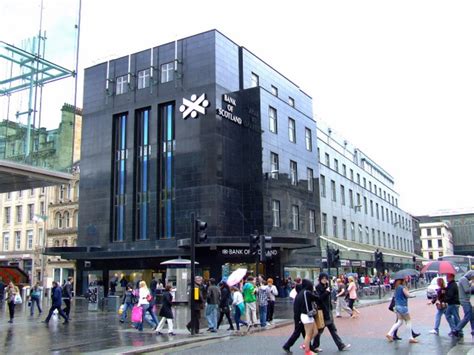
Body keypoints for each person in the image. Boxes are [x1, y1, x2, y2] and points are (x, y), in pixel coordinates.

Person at [312, 273, 351, 352]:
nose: (325, 279)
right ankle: (314, 346)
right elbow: (318, 299)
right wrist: (326, 292)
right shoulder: (318, 287)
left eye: (326, 278)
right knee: (320, 330)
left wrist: (331, 301)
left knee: (332, 329)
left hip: (328, 312)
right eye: (323, 278)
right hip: (322, 313)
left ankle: (341, 345)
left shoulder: (327, 286)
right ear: (320, 279)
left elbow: (327, 298)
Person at [386, 278, 417, 343]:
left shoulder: (396, 287)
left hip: (397, 306)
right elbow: (407, 295)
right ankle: (410, 338)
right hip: (403, 306)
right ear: (402, 280)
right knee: (408, 321)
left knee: (399, 322)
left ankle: (389, 333)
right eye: (404, 280)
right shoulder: (402, 287)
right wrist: (413, 295)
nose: (405, 280)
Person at [282, 277, 306, 353]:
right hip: (300, 317)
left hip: (298, 317)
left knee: (303, 333)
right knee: (298, 333)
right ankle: (287, 345)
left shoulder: (297, 297)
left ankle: (310, 346)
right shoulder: (300, 297)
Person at [453, 272, 474, 337]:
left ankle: (473, 330)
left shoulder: (464, 279)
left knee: (472, 315)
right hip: (464, 301)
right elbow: (467, 290)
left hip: (465, 300)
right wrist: (473, 286)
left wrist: (470, 284)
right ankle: (456, 329)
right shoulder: (464, 279)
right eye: (472, 277)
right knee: (467, 316)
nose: (472, 279)